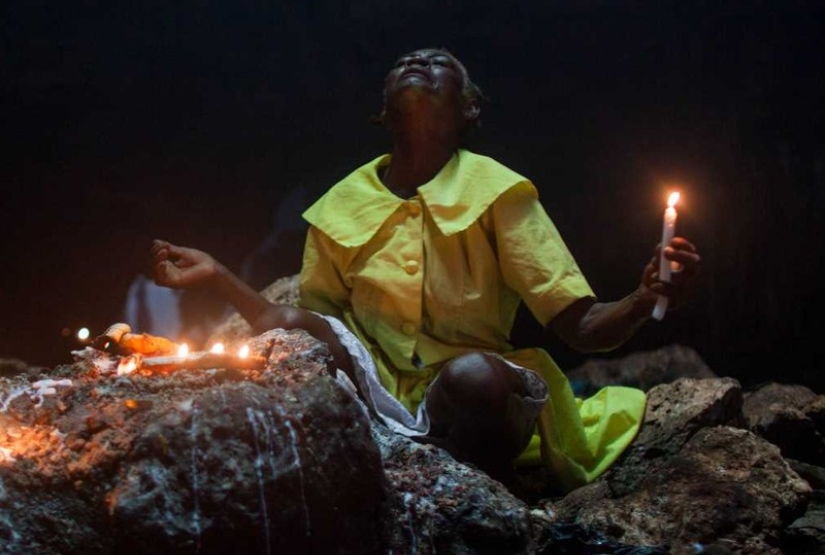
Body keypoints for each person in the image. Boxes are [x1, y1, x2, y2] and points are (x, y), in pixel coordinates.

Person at [149, 48, 700, 495]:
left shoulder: (498, 194)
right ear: (385, 112)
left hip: (473, 401)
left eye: (439, 64)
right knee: (301, 333)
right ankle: (392, 468)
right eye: (405, 62)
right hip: (375, 393)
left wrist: (640, 297)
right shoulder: (340, 206)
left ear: (469, 109)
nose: (418, 62)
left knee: (473, 378)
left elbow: (578, 326)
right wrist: (219, 274)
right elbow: (305, 326)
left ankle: (470, 488)